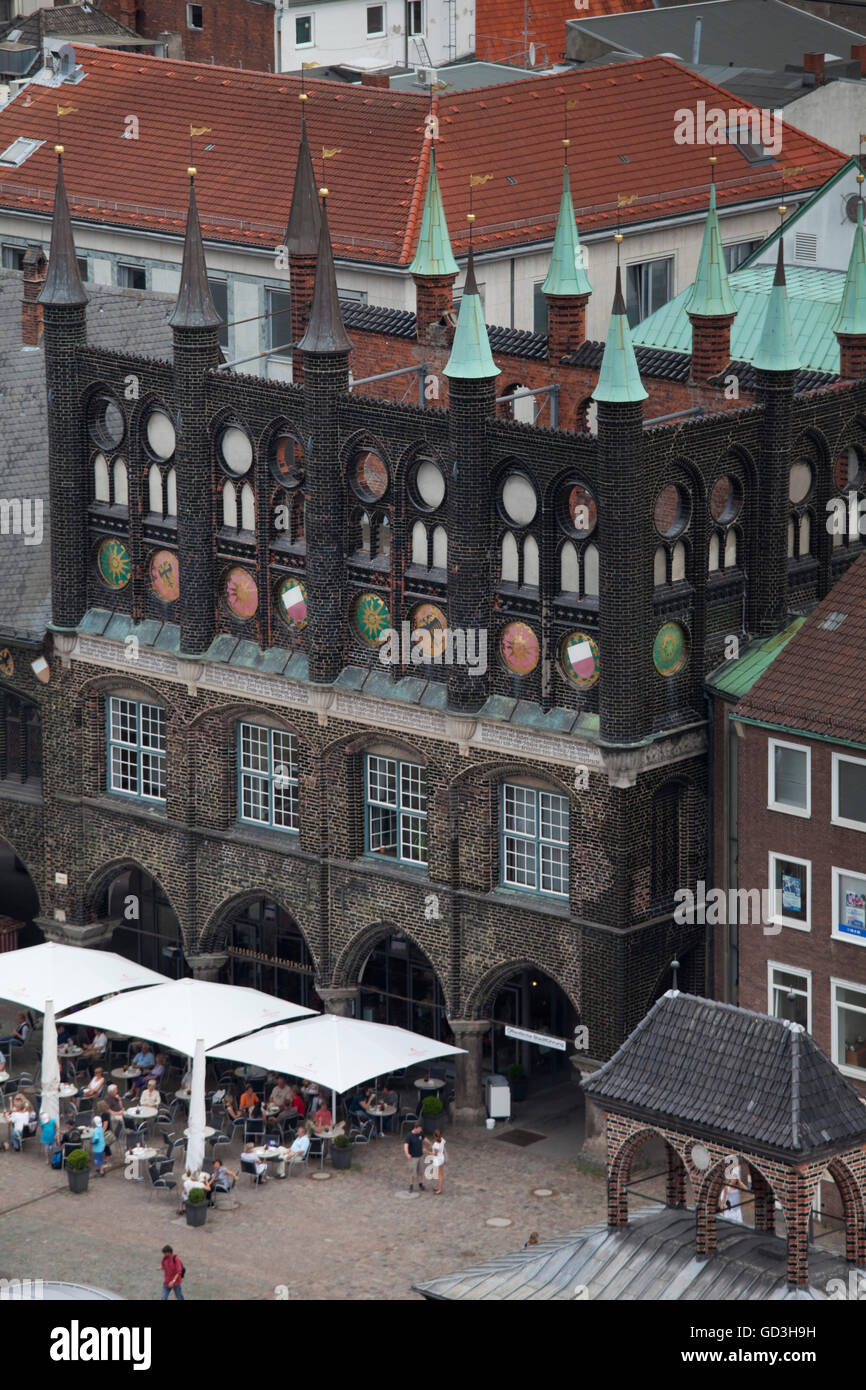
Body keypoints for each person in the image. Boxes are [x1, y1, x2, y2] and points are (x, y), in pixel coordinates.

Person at [404, 1122, 426, 1193]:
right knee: (412, 1173)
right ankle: (411, 1185)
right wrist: (407, 1154)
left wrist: (430, 1143)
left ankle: (420, 1184)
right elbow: (406, 1145)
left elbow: (424, 1138)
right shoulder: (409, 1135)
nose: (420, 1130)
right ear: (416, 1128)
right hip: (413, 1157)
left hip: (420, 1156)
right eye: (419, 1129)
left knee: (420, 1171)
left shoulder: (420, 1133)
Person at [425, 1128, 447, 1195]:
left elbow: (435, 1154)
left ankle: (439, 1189)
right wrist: (433, 1146)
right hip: (442, 1158)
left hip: (438, 1160)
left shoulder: (436, 1144)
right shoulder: (442, 1140)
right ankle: (439, 1187)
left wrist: (427, 1151)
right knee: (441, 1174)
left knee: (440, 1175)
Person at [90, 1109, 107, 1176]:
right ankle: (100, 1169)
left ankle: (101, 1171)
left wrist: (92, 1142)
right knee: (101, 1158)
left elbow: (96, 1139)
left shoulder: (96, 1130)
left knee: (99, 1159)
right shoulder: (101, 1128)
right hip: (102, 1145)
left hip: (98, 1147)